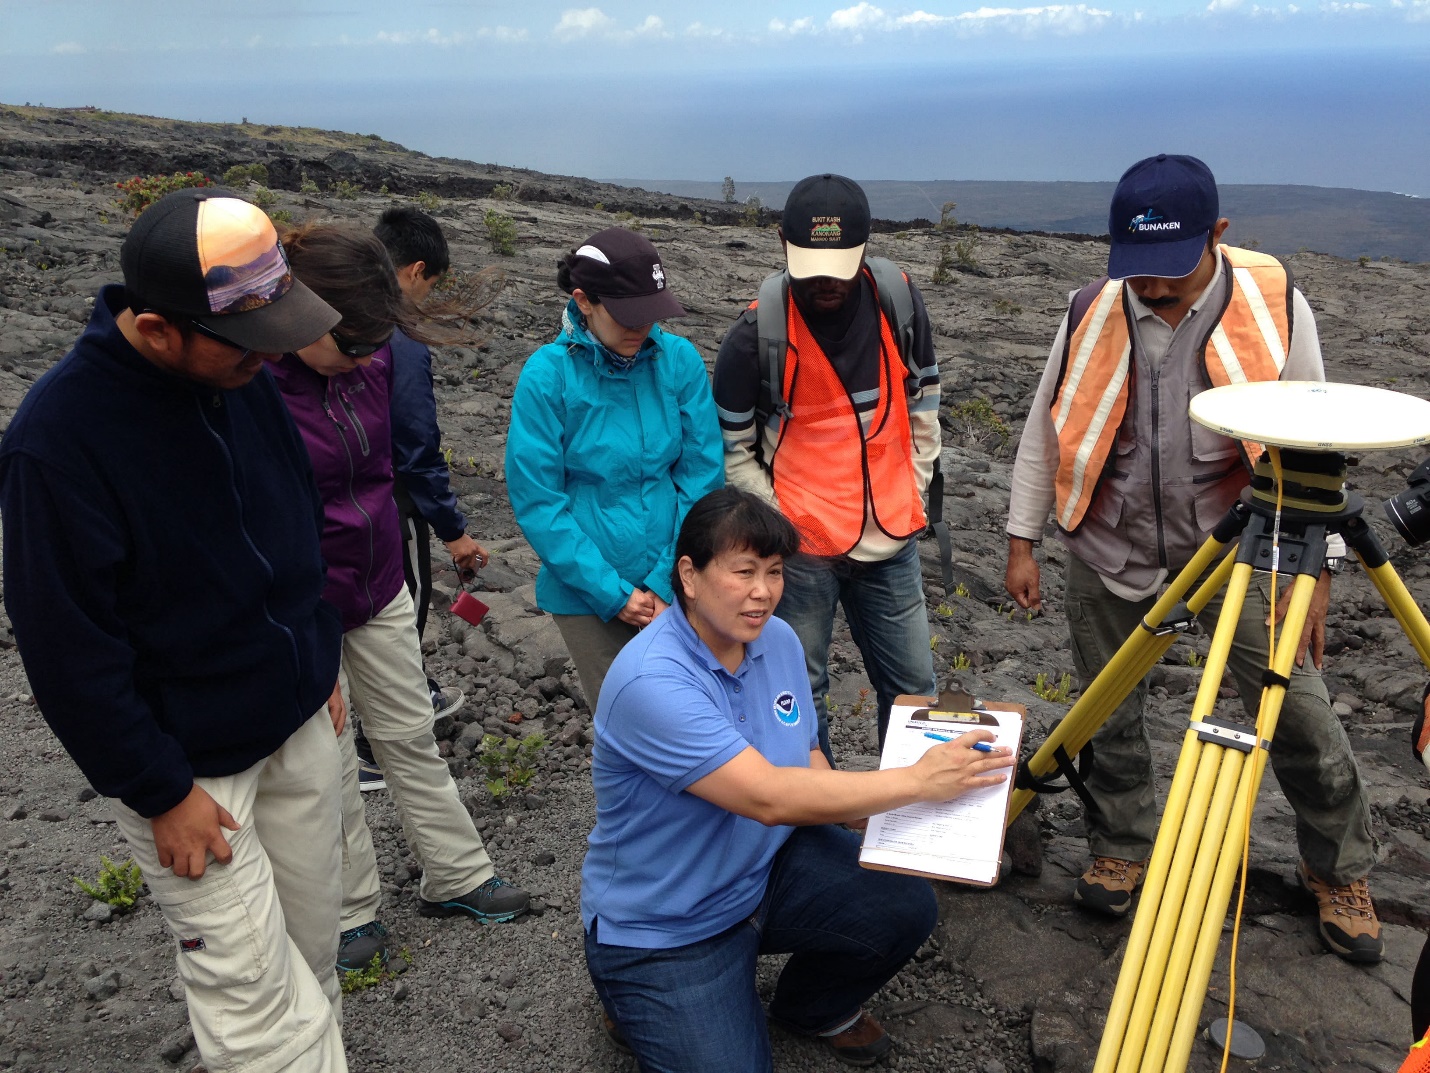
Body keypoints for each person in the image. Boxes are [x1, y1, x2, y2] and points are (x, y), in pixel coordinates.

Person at [0, 189, 349, 1071]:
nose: (269, 363)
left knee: (311, 956)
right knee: (252, 1001)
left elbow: (294, 519)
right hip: (197, 773)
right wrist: (157, 789)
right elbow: (66, 647)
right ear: (158, 330)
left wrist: (320, 653)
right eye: (249, 346)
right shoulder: (59, 441)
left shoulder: (240, 373)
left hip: (300, 720)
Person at [1003, 153, 1382, 962]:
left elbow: (1319, 447)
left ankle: (1339, 868)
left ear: (1218, 235)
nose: (1150, 288)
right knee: (1105, 711)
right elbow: (1047, 427)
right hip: (1109, 543)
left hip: (1237, 551)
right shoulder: (1088, 310)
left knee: (1302, 713)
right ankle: (1122, 844)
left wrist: (1318, 575)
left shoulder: (1275, 305)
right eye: (1135, 270)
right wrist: (1020, 539)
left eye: (1169, 270)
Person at [582, 487, 1013, 1072]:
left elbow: (805, 758)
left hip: (764, 872)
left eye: (775, 572)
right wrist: (916, 783)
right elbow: (768, 796)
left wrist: (926, 815)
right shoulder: (652, 682)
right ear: (689, 574)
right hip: (669, 925)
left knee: (903, 905)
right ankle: (632, 996)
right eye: (743, 572)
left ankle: (811, 1006)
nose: (763, 592)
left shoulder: (776, 641)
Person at [271, 224, 529, 973]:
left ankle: (457, 873)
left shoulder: (375, 355)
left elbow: (392, 461)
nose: (362, 360)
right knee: (330, 756)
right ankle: (349, 912)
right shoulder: (254, 384)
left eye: (372, 347)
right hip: (303, 600)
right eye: (351, 346)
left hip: (378, 576)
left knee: (409, 730)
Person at [713, 173, 942, 762]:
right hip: (802, 551)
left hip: (891, 539)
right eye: (809, 264)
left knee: (915, 694)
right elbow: (733, 451)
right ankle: (821, 825)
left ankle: (915, 831)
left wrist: (910, 493)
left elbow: (923, 405)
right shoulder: (754, 337)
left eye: (838, 265)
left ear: (866, 249)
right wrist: (787, 527)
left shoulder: (898, 301)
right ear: (782, 245)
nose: (823, 281)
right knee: (798, 694)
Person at [505, 227, 723, 710]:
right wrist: (614, 594)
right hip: (586, 597)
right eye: (627, 315)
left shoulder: (679, 361)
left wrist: (667, 580)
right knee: (626, 731)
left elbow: (702, 477)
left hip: (682, 584)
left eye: (651, 314)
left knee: (697, 719)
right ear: (583, 301)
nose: (640, 328)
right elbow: (539, 500)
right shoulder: (548, 376)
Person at [350, 206, 494, 792]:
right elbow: (415, 441)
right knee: (398, 609)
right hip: (386, 504)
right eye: (430, 284)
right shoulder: (398, 336)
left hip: (335, 498)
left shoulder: (327, 311)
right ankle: (376, 744)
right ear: (413, 270)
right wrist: (453, 529)